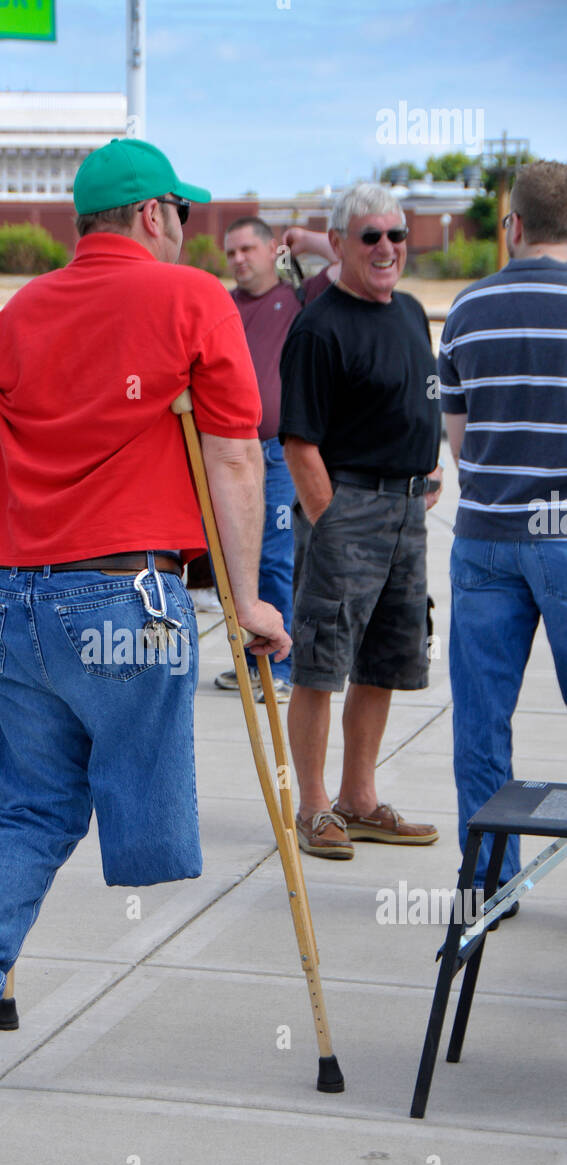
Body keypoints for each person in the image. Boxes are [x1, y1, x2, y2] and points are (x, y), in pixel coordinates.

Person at [0, 136, 291, 1113]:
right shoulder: (189, 299)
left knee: (32, 808)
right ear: (152, 215)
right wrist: (246, 600)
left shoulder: (17, 315)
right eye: (181, 216)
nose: (188, 232)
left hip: (14, 592)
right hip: (123, 593)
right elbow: (236, 460)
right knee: (143, 824)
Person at [278, 182, 443, 859]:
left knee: (383, 664)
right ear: (339, 244)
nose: (384, 247)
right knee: (321, 664)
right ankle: (314, 809)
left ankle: (360, 801)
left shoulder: (408, 310)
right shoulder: (318, 327)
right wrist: (332, 522)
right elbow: (298, 442)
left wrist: (422, 473)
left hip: (406, 512)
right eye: (369, 236)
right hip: (343, 510)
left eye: (395, 235)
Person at [439, 159, 567, 899]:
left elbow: (460, 444)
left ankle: (488, 884)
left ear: (511, 226)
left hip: (485, 538)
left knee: (481, 723)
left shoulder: (465, 310)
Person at [214, 217, 339, 703]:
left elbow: (346, 259)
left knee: (274, 557)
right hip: (230, 451)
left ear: (272, 249)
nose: (239, 259)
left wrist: (304, 240)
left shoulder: (299, 299)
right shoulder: (221, 305)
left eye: (248, 248)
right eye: (231, 253)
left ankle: (280, 667)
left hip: (280, 452)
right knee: (234, 558)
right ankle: (249, 662)